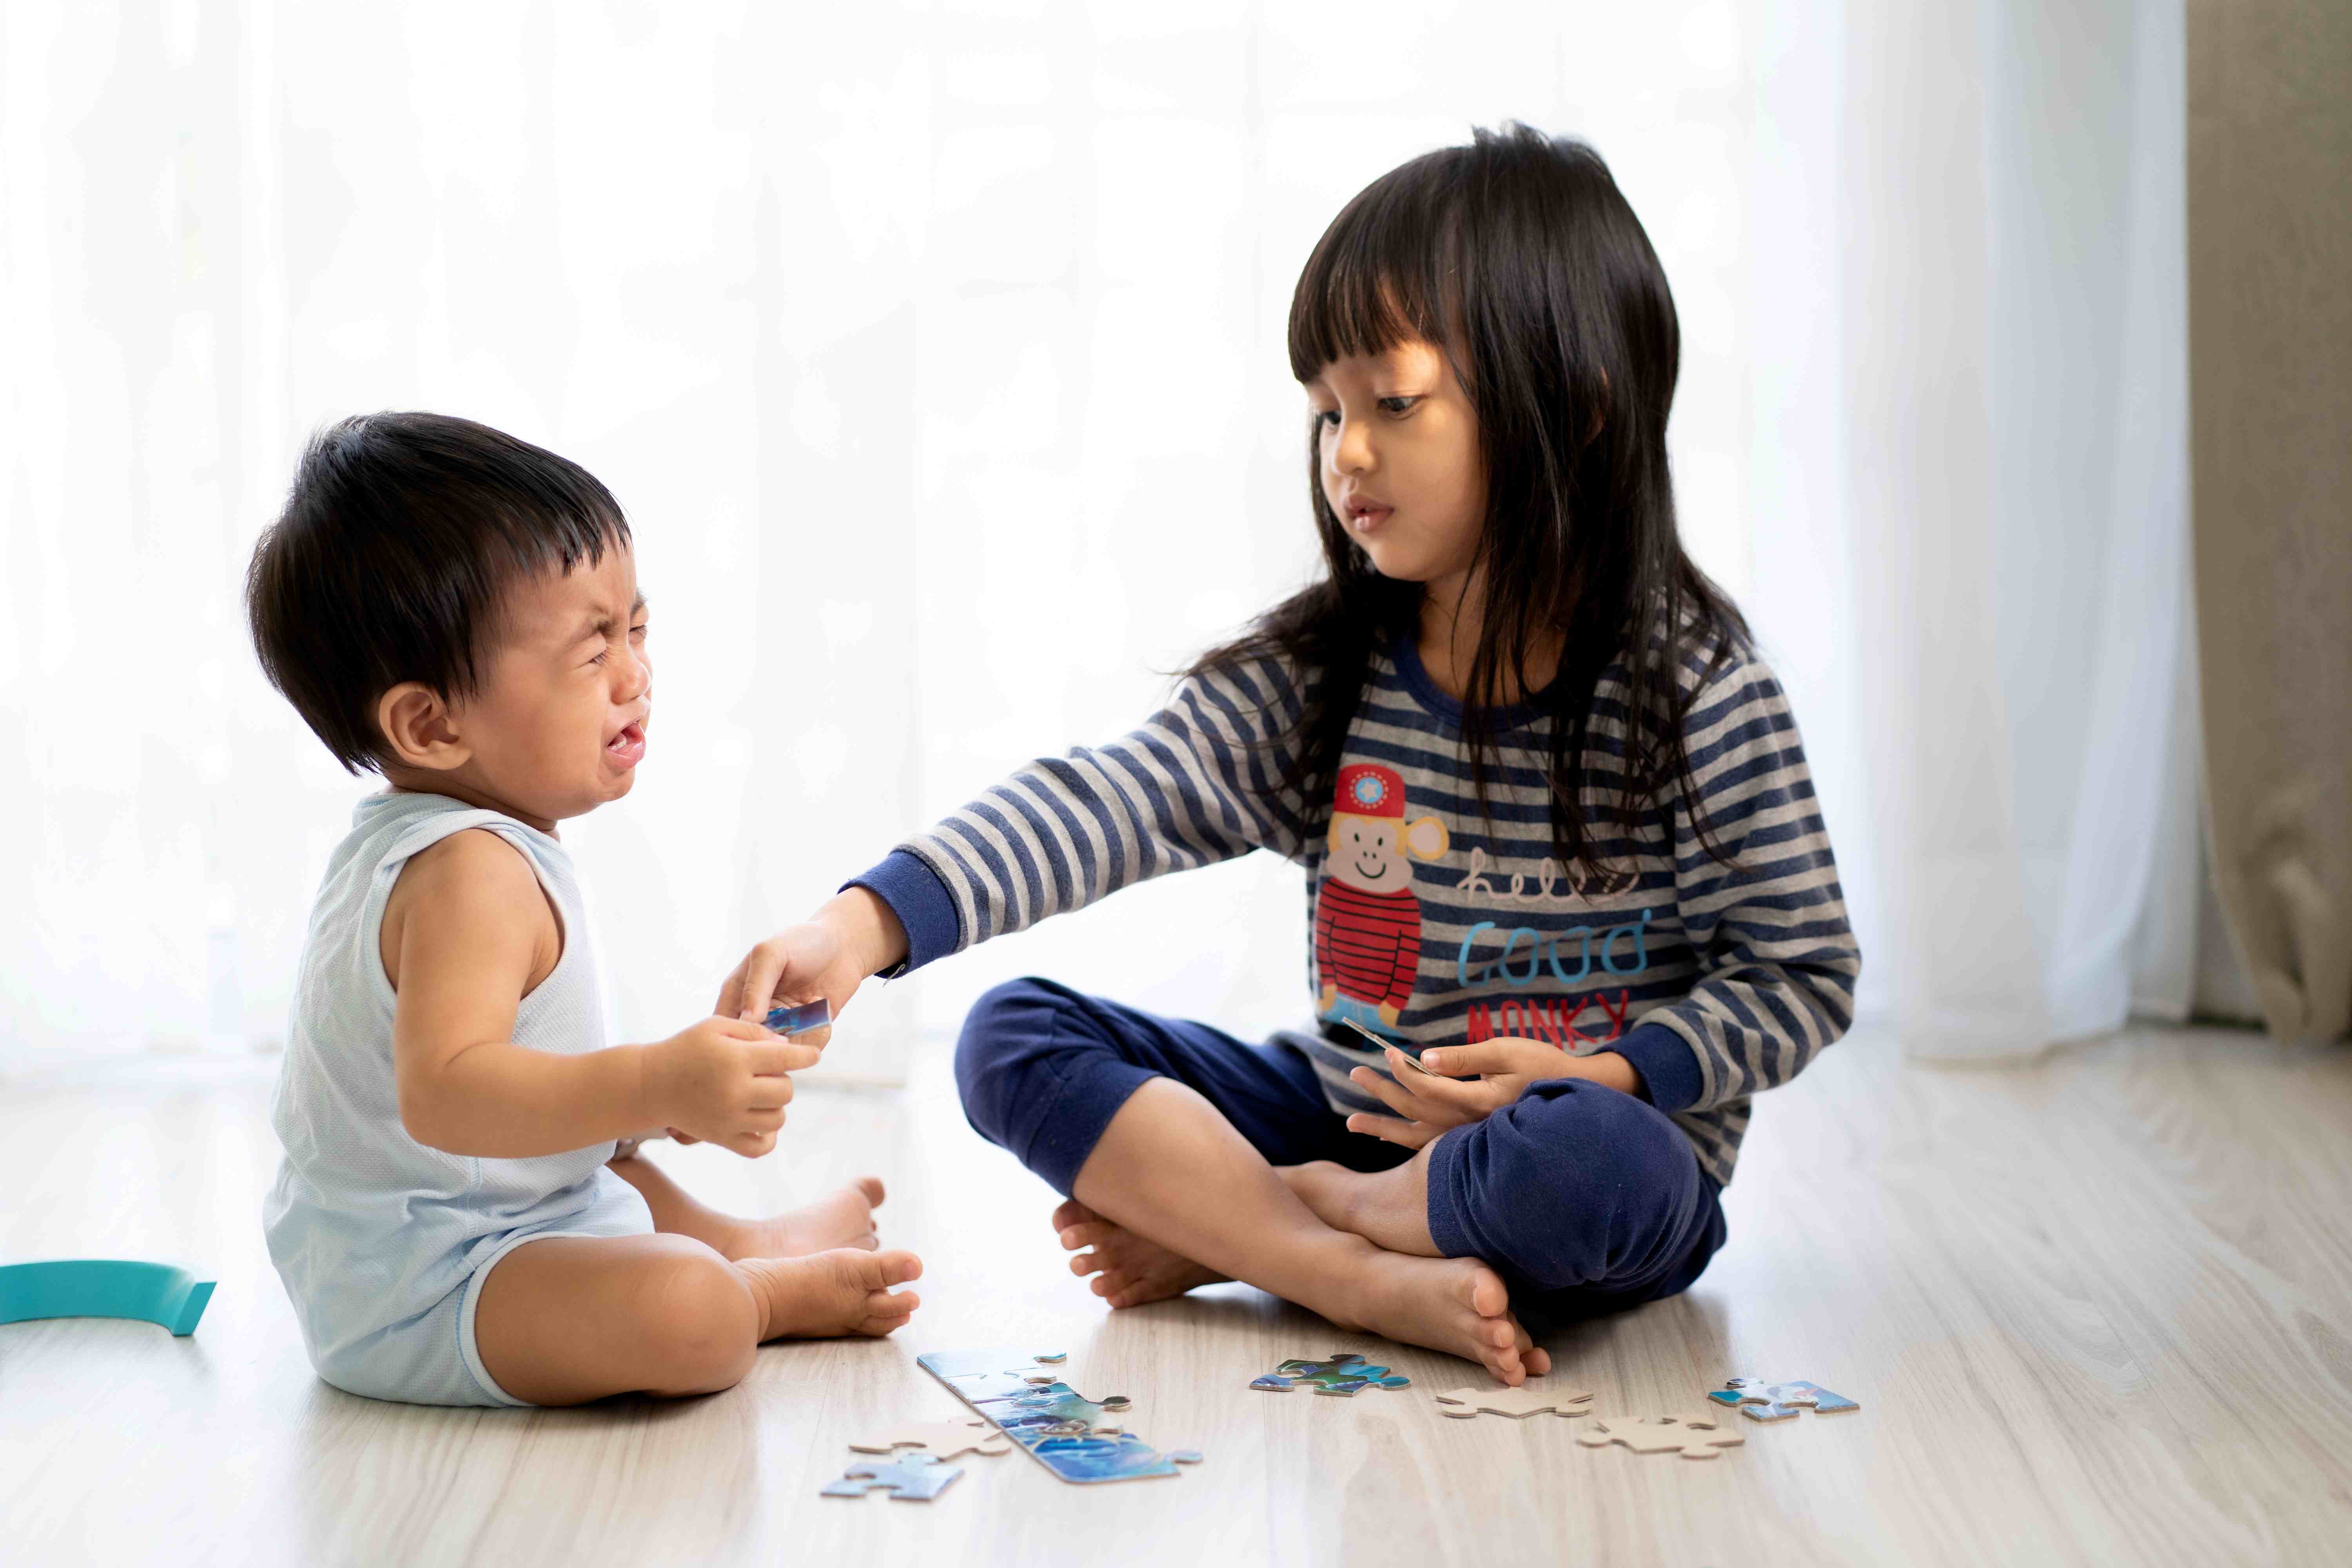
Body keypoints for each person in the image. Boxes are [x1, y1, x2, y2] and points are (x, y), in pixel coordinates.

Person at [723, 126, 1860, 1385]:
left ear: (1579, 410)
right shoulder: (1328, 677)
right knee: (1010, 1040)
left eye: (1394, 401)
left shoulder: (1700, 690)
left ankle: (1263, 1228)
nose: (1347, 452)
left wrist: (1603, 1069)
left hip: (1582, 1153)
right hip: (1351, 1113)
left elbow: (1801, 974)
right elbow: (1117, 797)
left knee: (1588, 1167)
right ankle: (1343, 1261)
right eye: (1327, 410)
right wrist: (868, 922)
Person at [250, 412, 918, 1407]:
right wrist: (654, 1083)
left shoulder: (457, 835)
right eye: (593, 647)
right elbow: (448, 1093)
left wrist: (659, 1097)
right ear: (431, 721)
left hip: (488, 1226)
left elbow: (533, 1102)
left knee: (611, 1161)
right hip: (426, 1288)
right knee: (687, 1312)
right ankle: (754, 1291)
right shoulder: (467, 869)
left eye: (636, 628)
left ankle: (740, 1243)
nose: (636, 675)